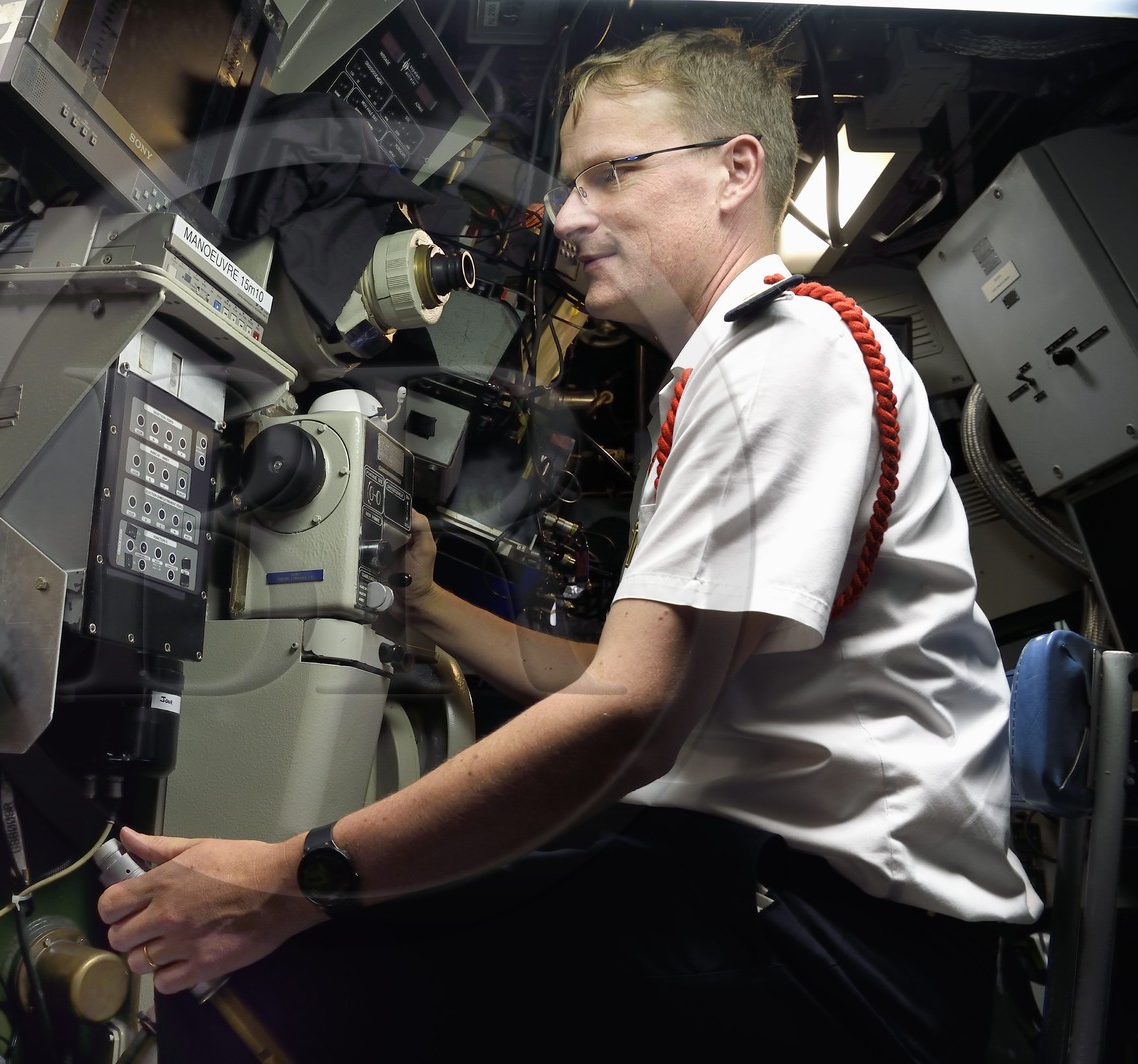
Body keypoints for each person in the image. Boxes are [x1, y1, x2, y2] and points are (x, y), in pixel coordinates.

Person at [99, 27, 1041, 1062]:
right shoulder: (754, 358)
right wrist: (426, 604)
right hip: (788, 903)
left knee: (270, 979)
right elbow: (634, 679)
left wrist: (289, 877)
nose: (568, 211)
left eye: (609, 174)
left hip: (832, 959)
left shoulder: (780, 356)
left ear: (736, 169)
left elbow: (627, 713)